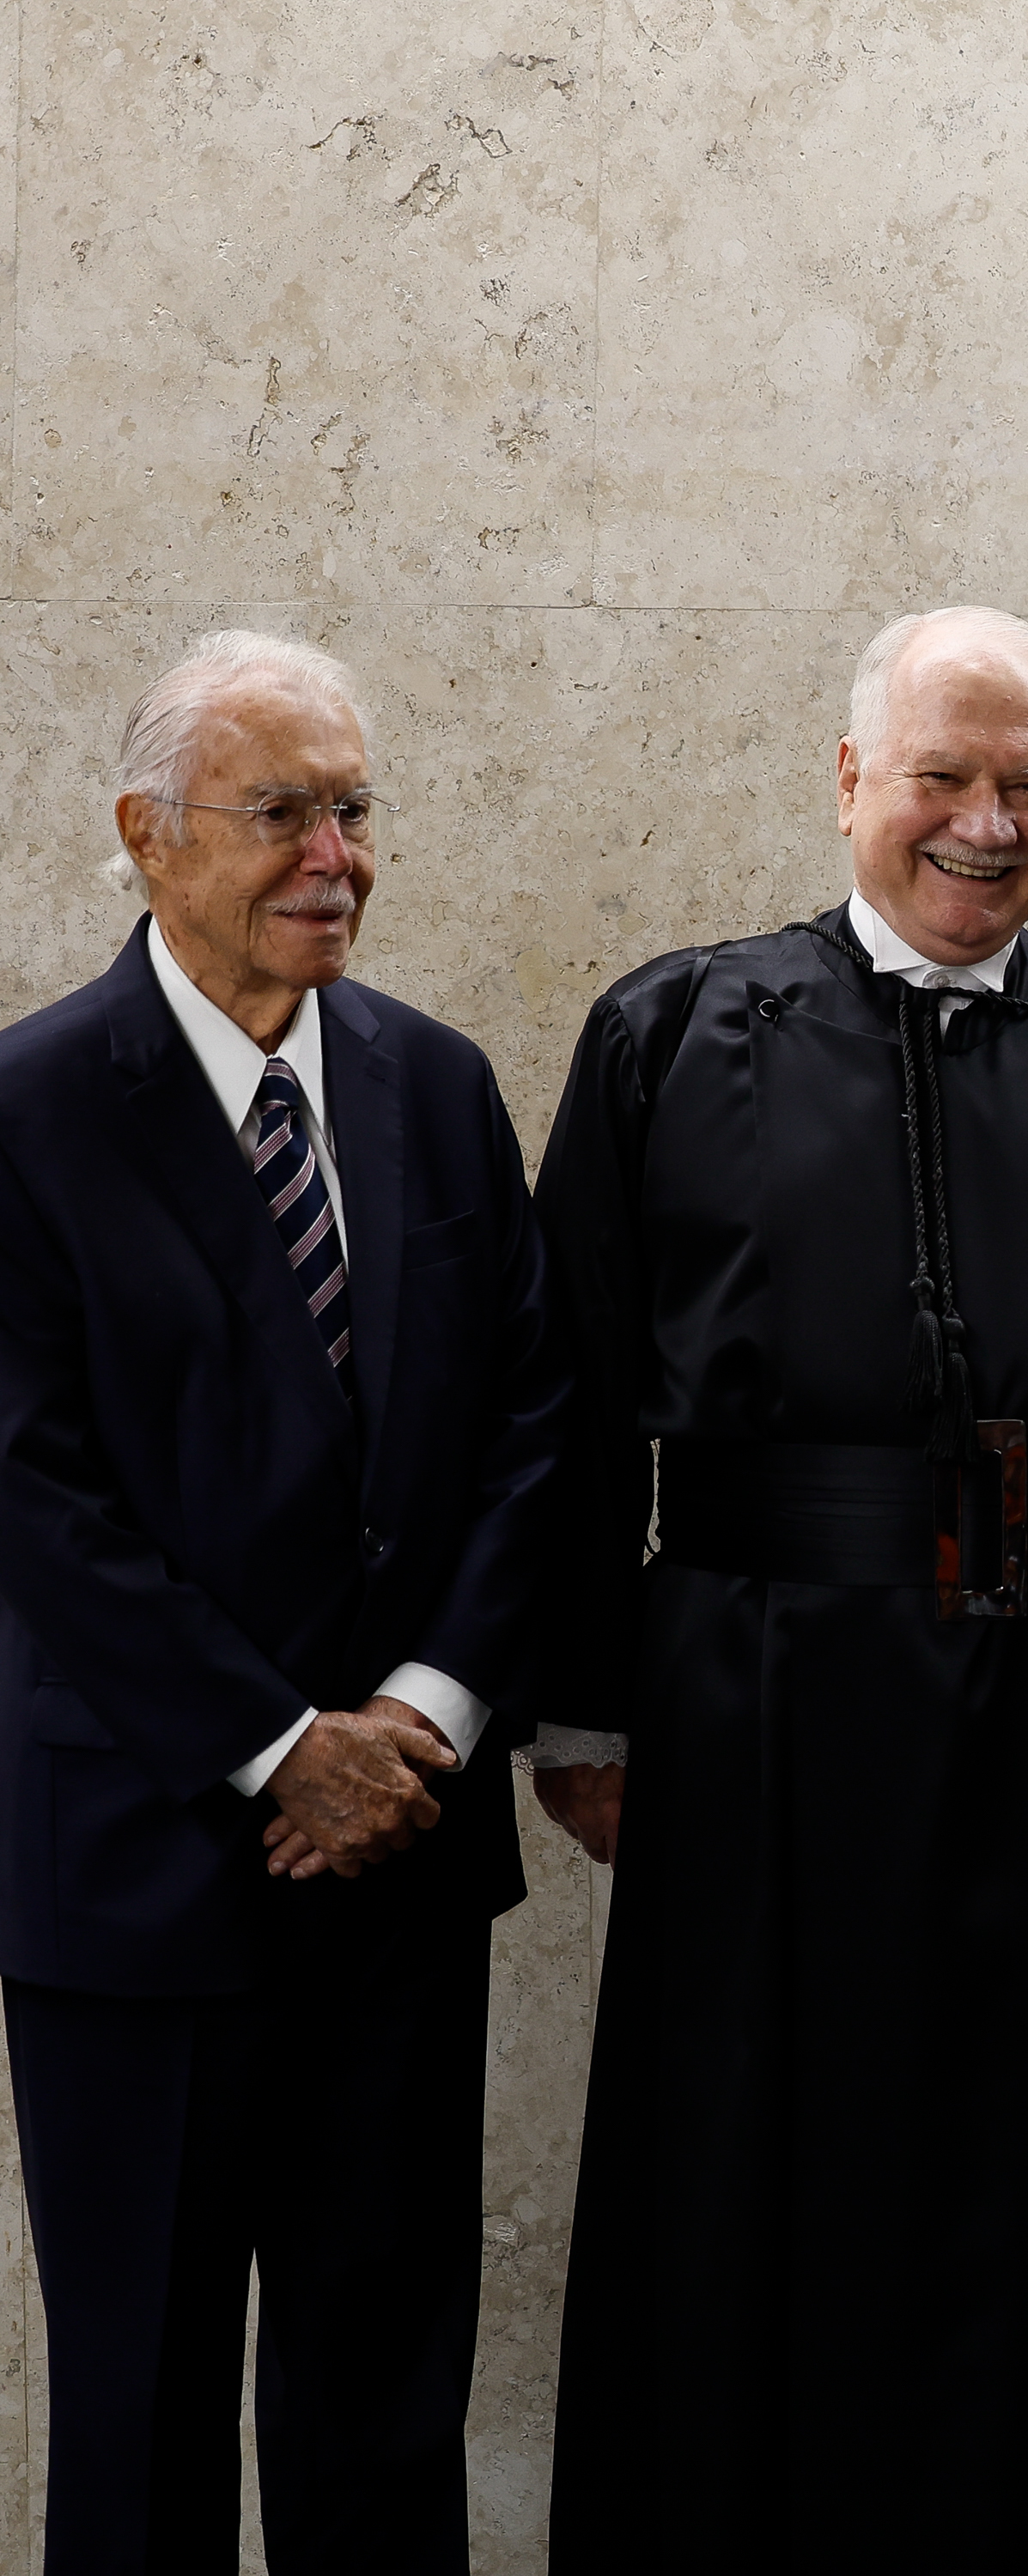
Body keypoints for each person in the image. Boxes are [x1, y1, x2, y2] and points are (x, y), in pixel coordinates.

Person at [526, 606, 1028, 2569]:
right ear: (847, 784)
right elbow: (565, 1399)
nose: (987, 824)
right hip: (753, 1709)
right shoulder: (670, 1030)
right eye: (943, 777)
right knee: (767, 2172)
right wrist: (580, 1700)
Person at [0, 632, 566, 2570]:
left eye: (355, 810)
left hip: (405, 1867)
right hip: (144, 1881)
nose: (335, 855)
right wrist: (273, 1753)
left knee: (384, 2418)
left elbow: (532, 1428)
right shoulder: (29, 1110)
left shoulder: (440, 1085)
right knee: (140, 2425)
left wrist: (417, 1717)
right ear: (145, 836)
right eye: (283, 813)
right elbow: (29, 1493)